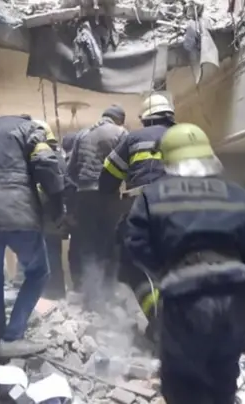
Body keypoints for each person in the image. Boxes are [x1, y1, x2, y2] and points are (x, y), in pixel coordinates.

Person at [121, 123, 245, 404]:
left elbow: (135, 243)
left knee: (182, 384)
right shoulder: (236, 193)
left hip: (189, 299)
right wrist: (241, 261)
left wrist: (167, 268)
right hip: (237, 299)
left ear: (167, 161)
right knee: (223, 379)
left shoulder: (154, 196)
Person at [0, 114, 65, 358]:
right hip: (17, 211)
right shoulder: (31, 128)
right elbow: (44, 162)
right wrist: (57, 202)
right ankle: (13, 337)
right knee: (39, 273)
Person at [98, 93, 176, 309]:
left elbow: (107, 181)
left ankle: (157, 318)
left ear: (146, 119)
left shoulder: (133, 139)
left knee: (130, 263)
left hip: (149, 213)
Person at [66, 105, 128, 306]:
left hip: (84, 196)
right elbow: (125, 166)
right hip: (107, 196)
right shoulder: (120, 133)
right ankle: (107, 294)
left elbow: (71, 170)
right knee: (109, 242)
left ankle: (88, 293)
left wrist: (84, 184)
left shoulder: (82, 134)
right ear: (119, 119)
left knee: (87, 244)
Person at [32, 119, 76, 299]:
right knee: (53, 255)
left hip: (43, 215)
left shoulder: (40, 157)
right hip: (55, 215)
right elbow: (69, 186)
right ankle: (56, 294)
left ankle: (46, 296)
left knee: (43, 255)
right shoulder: (59, 159)